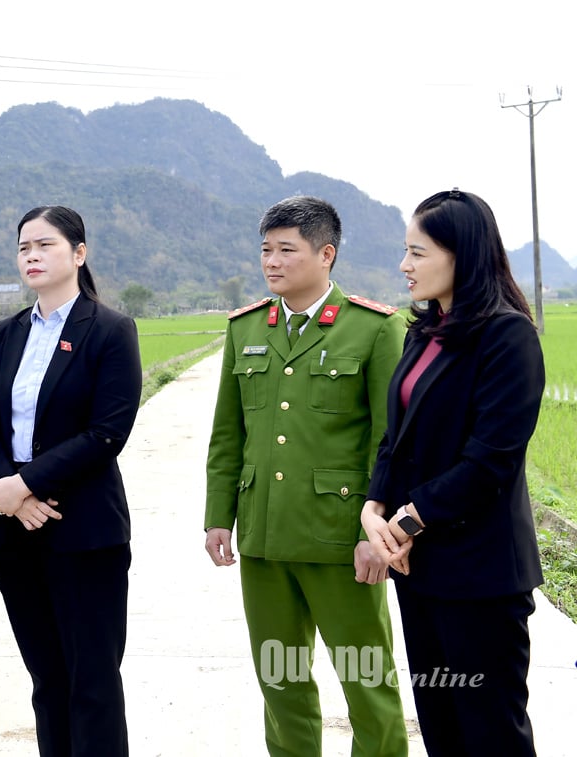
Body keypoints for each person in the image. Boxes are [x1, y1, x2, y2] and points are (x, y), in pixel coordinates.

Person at [204, 196, 409, 756]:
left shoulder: (373, 329)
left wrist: (380, 536)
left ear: (326, 254)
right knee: (282, 683)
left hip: (343, 543)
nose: (271, 261)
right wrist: (219, 517)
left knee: (368, 684)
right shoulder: (245, 328)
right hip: (266, 542)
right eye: (265, 249)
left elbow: (390, 443)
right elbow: (229, 435)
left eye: (286, 250)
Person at [361, 189, 544, 756]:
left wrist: (406, 523)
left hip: (481, 574)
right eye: (405, 252)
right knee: (441, 726)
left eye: (417, 253)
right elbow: (399, 436)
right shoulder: (424, 331)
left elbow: (491, 459)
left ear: (460, 254)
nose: (404, 266)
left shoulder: (506, 336)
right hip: (421, 571)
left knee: (490, 732)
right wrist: (373, 508)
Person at [0, 205, 142, 757]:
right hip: (14, 531)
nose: (32, 256)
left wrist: (27, 485)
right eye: (24, 248)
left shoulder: (111, 329)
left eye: (45, 245)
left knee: (92, 682)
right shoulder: (7, 333)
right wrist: (8, 491)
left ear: (78, 253)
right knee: (47, 680)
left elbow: (107, 432)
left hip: (84, 529)